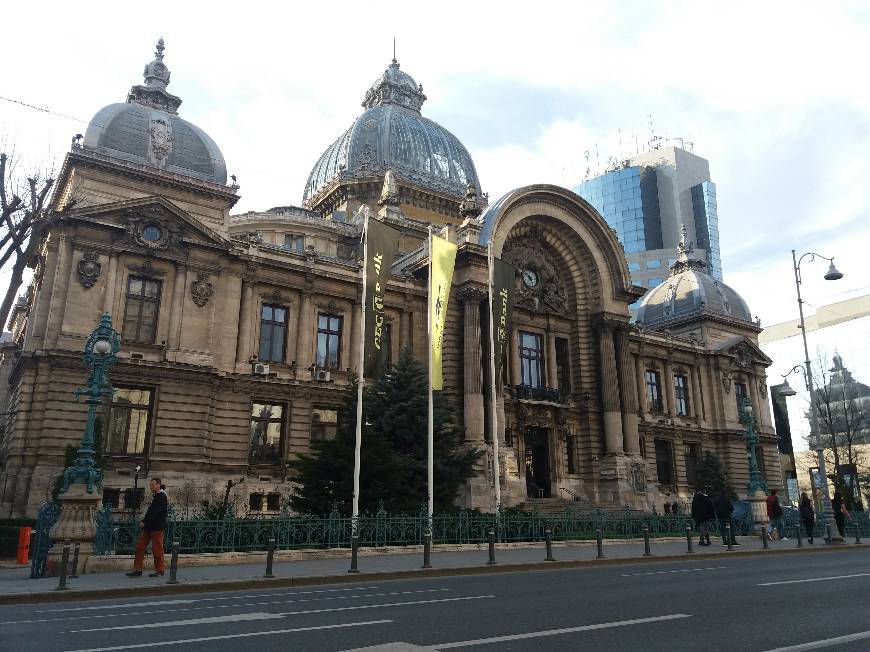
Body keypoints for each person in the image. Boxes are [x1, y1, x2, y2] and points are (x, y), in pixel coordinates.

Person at [127, 478, 168, 577]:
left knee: (157, 549)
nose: (151, 487)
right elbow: (151, 511)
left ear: (158, 485)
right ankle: (137, 569)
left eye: (153, 485)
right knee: (140, 547)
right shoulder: (157, 496)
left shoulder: (161, 496)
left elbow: (155, 512)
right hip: (149, 526)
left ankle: (159, 570)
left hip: (156, 527)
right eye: (150, 485)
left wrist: (144, 522)